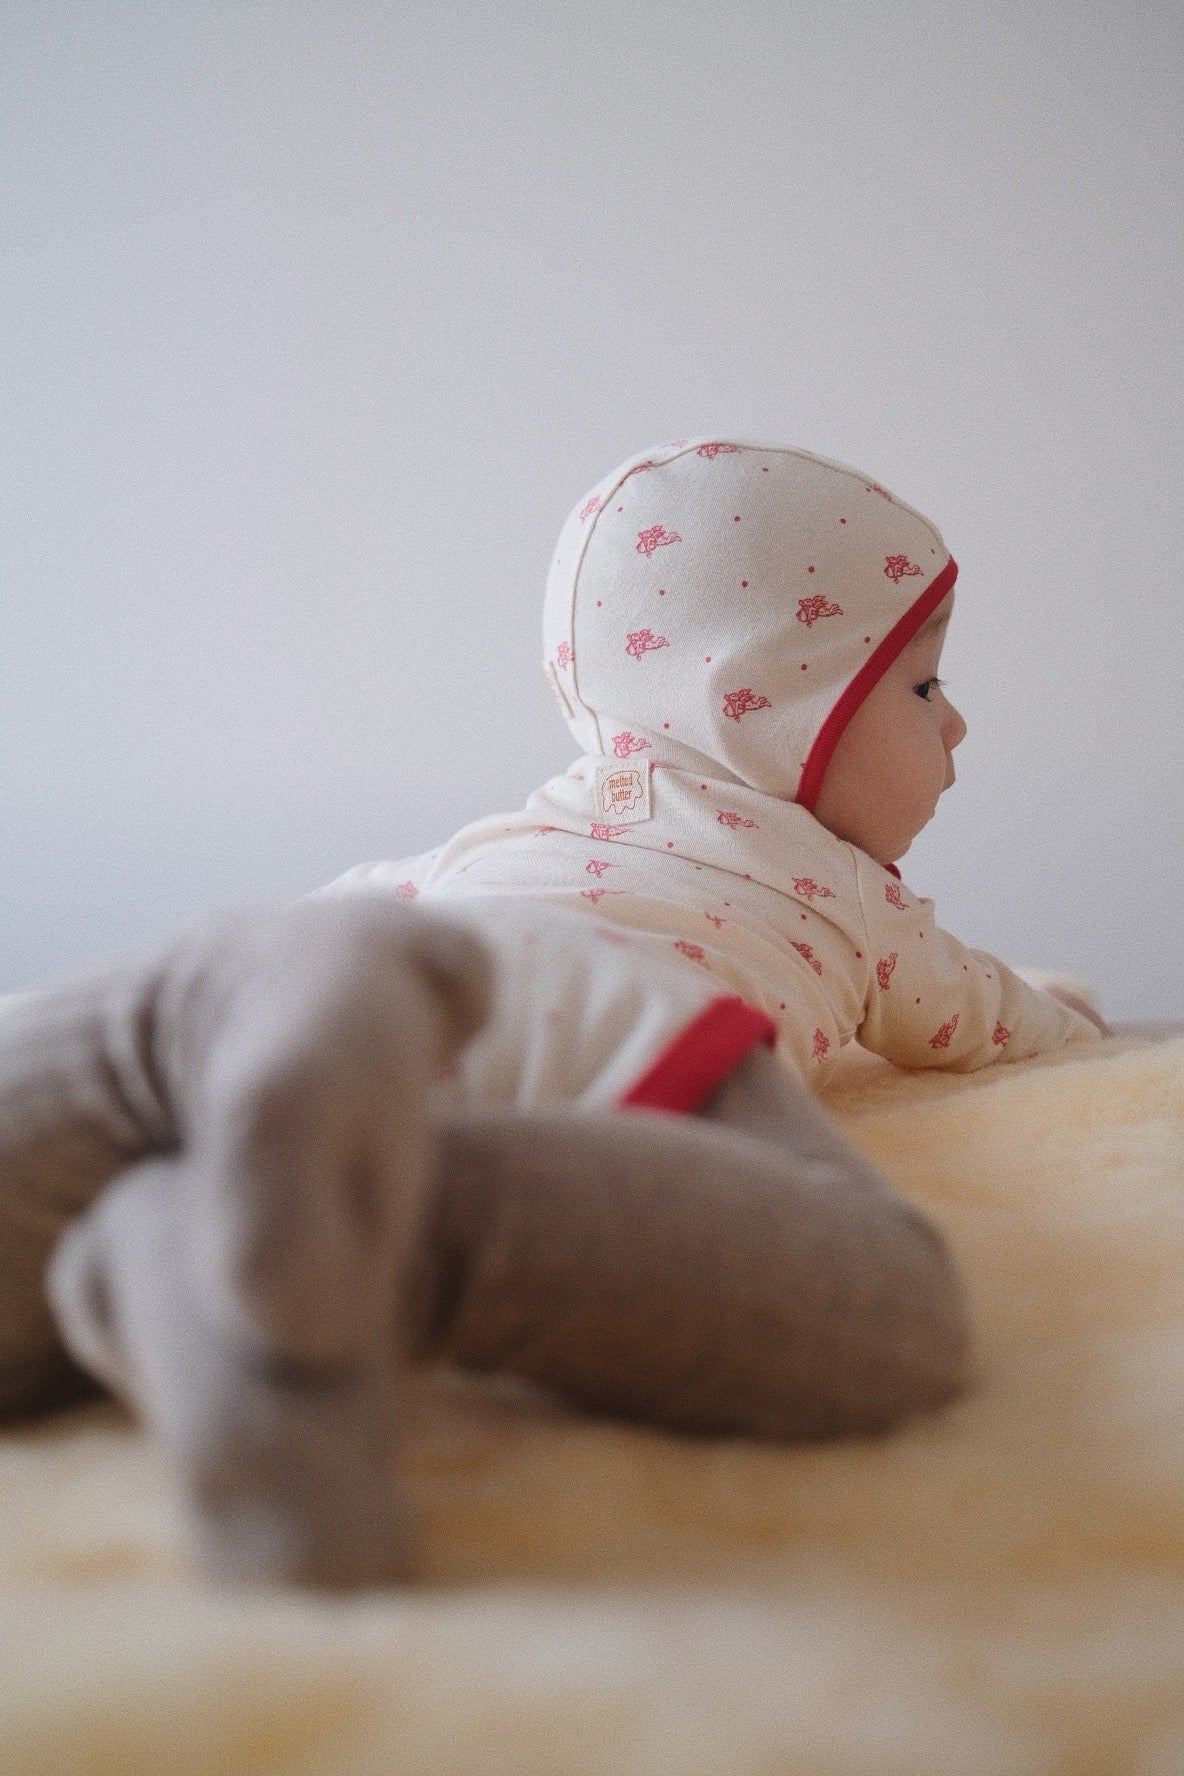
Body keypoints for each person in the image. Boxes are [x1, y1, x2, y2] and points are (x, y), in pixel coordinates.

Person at [0, 439, 1104, 1590]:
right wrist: (1067, 1014)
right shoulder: (846, 900)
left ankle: (218, 1174)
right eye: (921, 687)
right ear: (766, 708)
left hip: (396, 962)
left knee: (271, 1021)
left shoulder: (517, 832)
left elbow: (398, 905)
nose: (957, 726)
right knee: (889, 1316)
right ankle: (395, 1235)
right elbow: (981, 1017)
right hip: (626, 1016)